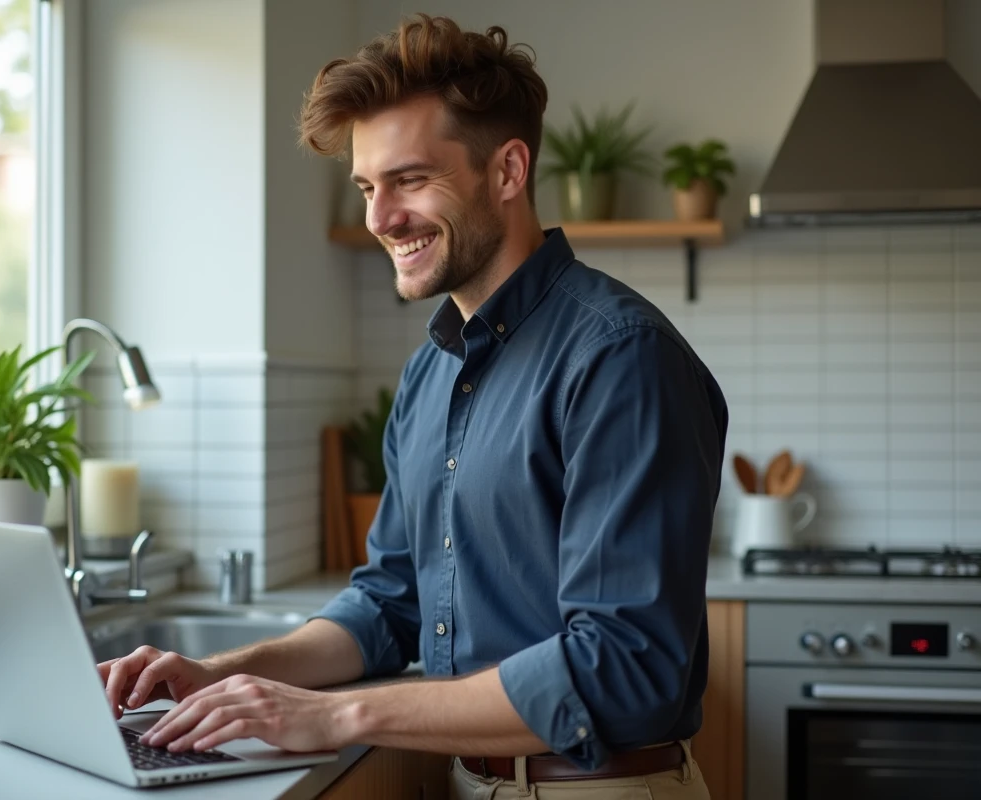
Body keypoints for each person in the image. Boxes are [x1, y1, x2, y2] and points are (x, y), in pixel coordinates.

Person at [99, 14, 727, 799]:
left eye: (411, 179)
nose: (379, 218)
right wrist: (217, 673)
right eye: (367, 186)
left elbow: (625, 665)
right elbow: (389, 604)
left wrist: (338, 717)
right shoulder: (433, 372)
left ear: (507, 171)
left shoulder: (619, 356)